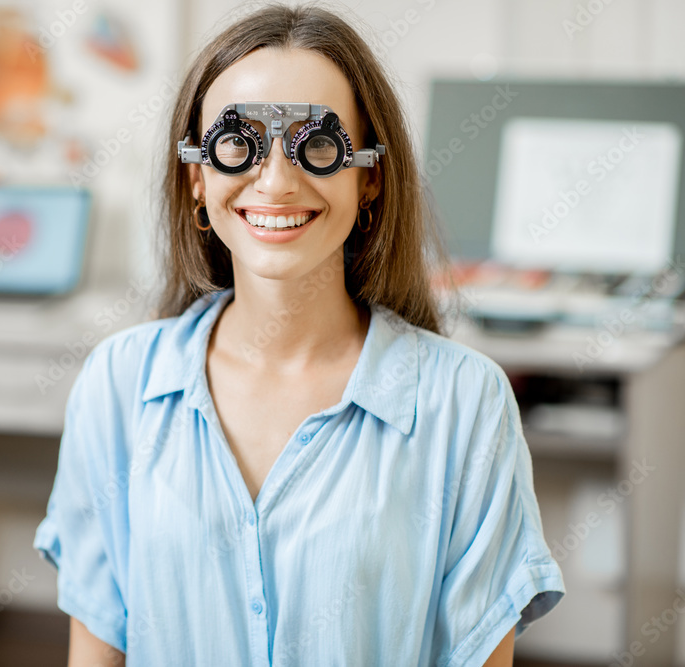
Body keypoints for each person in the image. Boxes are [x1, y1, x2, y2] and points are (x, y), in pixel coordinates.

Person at [34, 4, 565, 665]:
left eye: (317, 145)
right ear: (196, 177)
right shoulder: (118, 385)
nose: (278, 181)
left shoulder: (465, 405)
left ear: (369, 175)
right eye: (238, 144)